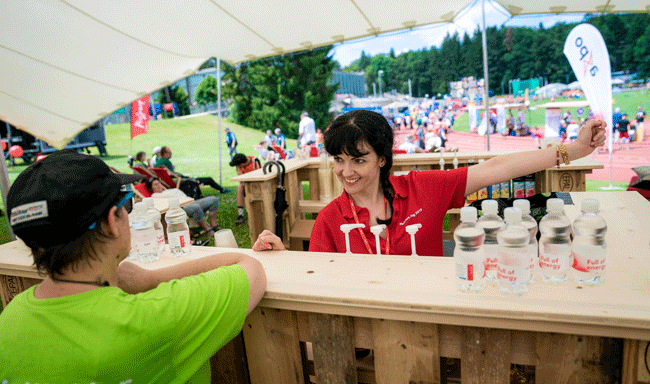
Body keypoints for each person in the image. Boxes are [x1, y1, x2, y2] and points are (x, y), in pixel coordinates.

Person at [0, 150, 266, 383]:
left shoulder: (8, 322)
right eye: (125, 202)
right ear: (112, 222)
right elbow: (250, 268)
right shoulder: (157, 314)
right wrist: (151, 279)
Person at [252, 109, 606, 256]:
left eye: (358, 160)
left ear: (382, 159)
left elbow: (495, 167)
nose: (346, 171)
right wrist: (286, 261)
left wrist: (572, 150)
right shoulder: (330, 219)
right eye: (339, 160)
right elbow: (319, 283)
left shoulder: (422, 188)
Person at [155, 146, 231, 194]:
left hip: (169, 183)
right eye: (169, 152)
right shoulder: (166, 162)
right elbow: (172, 175)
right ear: (165, 154)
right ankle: (222, 189)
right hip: (179, 182)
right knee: (208, 179)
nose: (171, 154)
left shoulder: (158, 162)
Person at [230, 153, 260, 225]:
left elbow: (260, 174)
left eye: (238, 165)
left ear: (243, 163)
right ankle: (241, 214)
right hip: (246, 184)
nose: (237, 167)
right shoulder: (239, 166)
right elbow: (241, 179)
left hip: (257, 184)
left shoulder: (255, 161)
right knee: (239, 187)